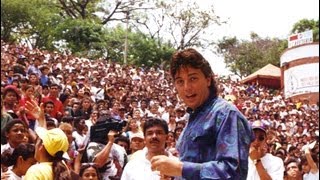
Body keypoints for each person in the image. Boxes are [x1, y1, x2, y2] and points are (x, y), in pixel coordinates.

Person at [150, 48, 254, 179]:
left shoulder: (226, 114)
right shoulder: (194, 116)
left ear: (208, 79)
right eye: (180, 81)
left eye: (193, 78)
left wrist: (180, 169)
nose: (187, 87)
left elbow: (233, 172)